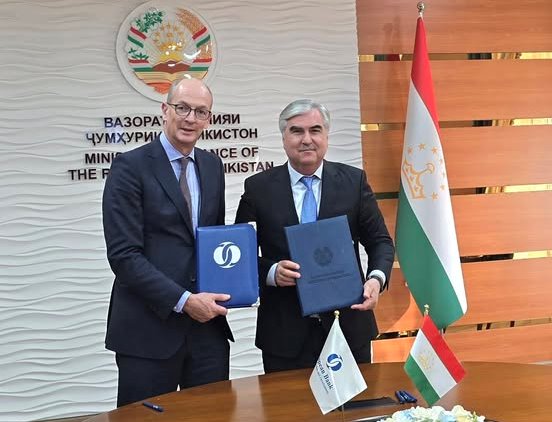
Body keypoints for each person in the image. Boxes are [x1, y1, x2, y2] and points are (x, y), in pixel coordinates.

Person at [235, 99, 395, 373]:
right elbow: (241, 254)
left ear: (326, 136)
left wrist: (376, 279)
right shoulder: (258, 188)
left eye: (315, 130)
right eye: (296, 131)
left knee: (354, 403)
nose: (306, 139)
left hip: (348, 327)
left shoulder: (353, 182)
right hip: (284, 335)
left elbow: (380, 242)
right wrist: (272, 272)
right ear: (284, 138)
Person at [102, 77, 233, 407]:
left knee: (211, 415)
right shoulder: (129, 167)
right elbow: (124, 255)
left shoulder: (212, 166)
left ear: (209, 119)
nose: (190, 118)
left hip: (207, 333)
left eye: (200, 112)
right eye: (182, 108)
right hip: (147, 331)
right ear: (165, 110)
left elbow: (212, 243)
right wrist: (184, 301)